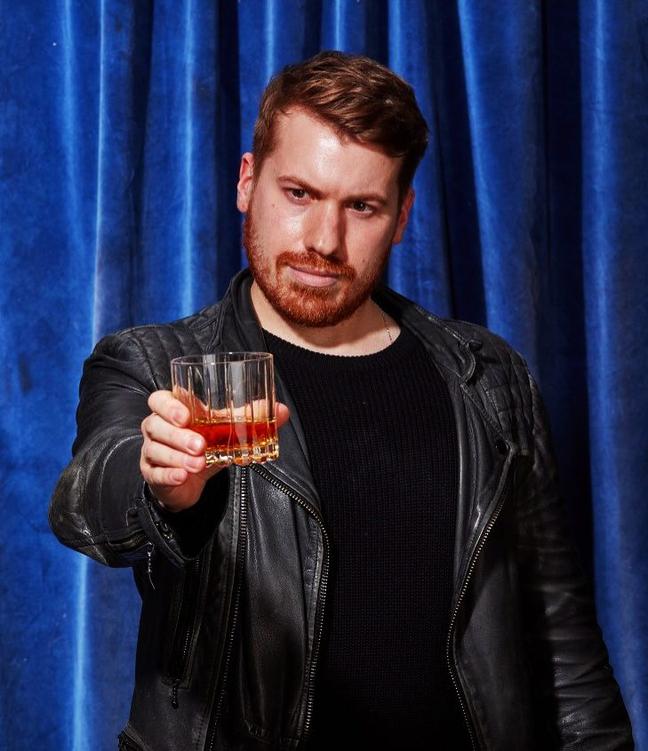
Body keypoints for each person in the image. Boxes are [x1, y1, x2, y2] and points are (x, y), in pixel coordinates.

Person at [50, 51, 633, 750]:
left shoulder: (489, 377)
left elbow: (563, 644)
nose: (324, 241)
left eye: (361, 206)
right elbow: (86, 502)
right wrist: (159, 485)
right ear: (247, 181)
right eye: (299, 193)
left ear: (401, 216)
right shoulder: (152, 364)